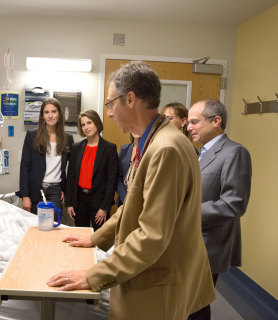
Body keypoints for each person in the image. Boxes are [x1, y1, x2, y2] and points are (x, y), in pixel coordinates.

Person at [47, 61, 215, 320]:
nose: (110, 113)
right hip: (168, 273)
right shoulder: (149, 141)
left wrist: (94, 275)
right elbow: (134, 205)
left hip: (169, 285)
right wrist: (96, 238)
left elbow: (151, 235)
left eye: (110, 104)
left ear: (130, 99)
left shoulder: (165, 149)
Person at [187, 99, 252, 319]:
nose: (188, 127)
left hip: (209, 242)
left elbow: (233, 204)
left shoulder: (234, 152)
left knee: (196, 306)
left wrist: (186, 214)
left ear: (216, 121)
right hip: (190, 241)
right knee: (187, 303)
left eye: (194, 122)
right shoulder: (200, 153)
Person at [65, 110, 118, 231]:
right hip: (79, 202)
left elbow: (111, 181)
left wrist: (105, 208)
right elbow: (71, 177)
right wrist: (69, 203)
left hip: (99, 203)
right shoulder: (76, 147)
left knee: (101, 241)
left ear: (97, 123)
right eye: (83, 125)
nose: (86, 127)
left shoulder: (109, 148)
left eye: (89, 122)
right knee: (81, 237)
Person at [19, 98, 74, 214]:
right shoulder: (32, 136)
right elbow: (24, 167)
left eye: (53, 111)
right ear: (42, 116)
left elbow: (70, 169)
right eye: (46, 112)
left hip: (56, 191)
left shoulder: (68, 139)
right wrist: (25, 195)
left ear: (59, 114)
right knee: (35, 227)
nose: (50, 115)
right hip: (35, 190)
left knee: (53, 227)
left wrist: (64, 189)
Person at [115, 136, 133, 207]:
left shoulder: (149, 150)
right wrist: (125, 198)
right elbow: (118, 177)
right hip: (123, 202)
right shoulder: (124, 149)